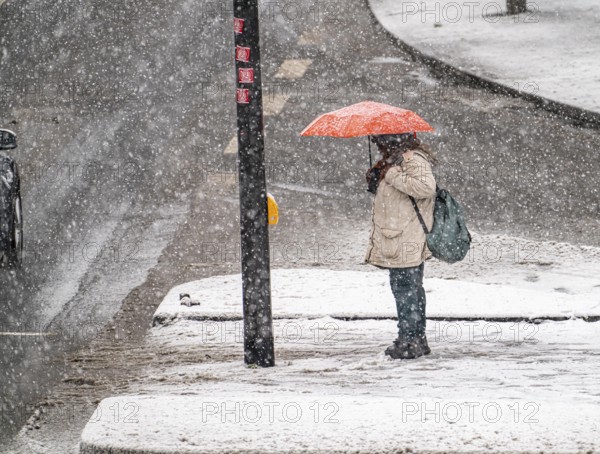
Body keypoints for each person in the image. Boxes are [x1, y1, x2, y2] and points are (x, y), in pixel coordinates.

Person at [365, 133, 437, 359]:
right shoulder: (394, 161)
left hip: (407, 237)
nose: (378, 146)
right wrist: (377, 177)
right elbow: (396, 196)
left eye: (380, 142)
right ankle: (415, 339)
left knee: (406, 289)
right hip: (398, 237)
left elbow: (426, 188)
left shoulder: (412, 159)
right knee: (407, 289)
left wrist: (392, 174)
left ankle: (410, 340)